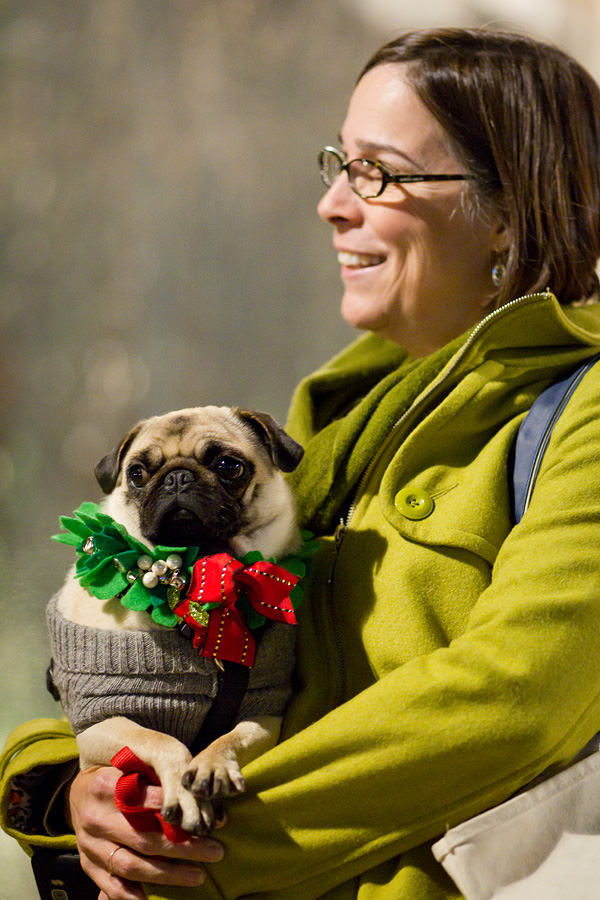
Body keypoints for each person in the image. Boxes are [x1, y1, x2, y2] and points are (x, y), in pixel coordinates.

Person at [4, 26, 600, 900]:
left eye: (379, 173)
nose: (333, 205)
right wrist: (72, 787)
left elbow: (512, 704)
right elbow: (194, 679)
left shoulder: (577, 414)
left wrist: (193, 854)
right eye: (338, 164)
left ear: (508, 209)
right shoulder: (320, 430)